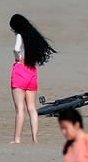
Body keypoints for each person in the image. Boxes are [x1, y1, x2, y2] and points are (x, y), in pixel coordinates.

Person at [10, 14, 57, 144]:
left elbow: (16, 49)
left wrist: (17, 57)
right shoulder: (33, 36)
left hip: (20, 70)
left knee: (20, 109)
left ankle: (17, 139)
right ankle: (35, 139)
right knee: (32, 108)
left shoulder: (20, 35)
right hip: (32, 71)